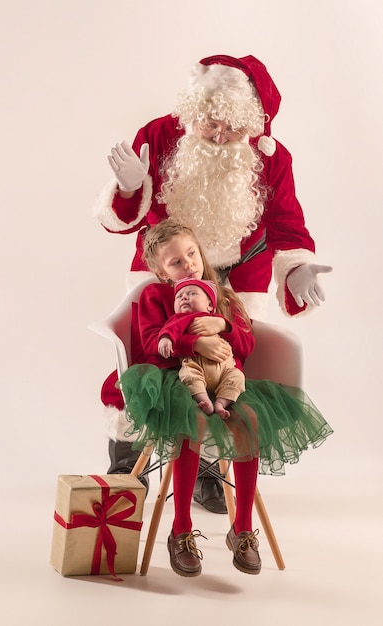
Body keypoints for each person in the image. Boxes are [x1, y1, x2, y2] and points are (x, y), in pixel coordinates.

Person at [93, 54, 333, 512]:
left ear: (251, 124)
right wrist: (127, 190)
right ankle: (127, 464)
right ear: (192, 112)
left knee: (225, 367)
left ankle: (208, 470)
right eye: (209, 124)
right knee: (143, 363)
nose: (220, 135)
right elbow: (122, 222)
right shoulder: (159, 136)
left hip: (240, 279)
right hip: (164, 274)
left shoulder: (273, 158)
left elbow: (286, 222)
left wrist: (296, 266)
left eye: (232, 128)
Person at [116, 219, 333, 577]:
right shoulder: (155, 296)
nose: (189, 265)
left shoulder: (224, 295)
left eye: (191, 254)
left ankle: (242, 528)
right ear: (159, 271)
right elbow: (153, 345)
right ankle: (181, 529)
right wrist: (194, 342)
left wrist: (224, 326)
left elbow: (247, 345)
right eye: (176, 262)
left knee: (248, 420)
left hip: (226, 381)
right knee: (194, 420)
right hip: (176, 380)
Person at [158, 277, 245, 419]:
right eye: (179, 296)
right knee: (188, 375)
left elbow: (241, 341)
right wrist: (165, 339)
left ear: (210, 305)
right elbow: (170, 329)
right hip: (196, 364)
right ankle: (204, 399)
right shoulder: (179, 319)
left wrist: (224, 324)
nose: (184, 297)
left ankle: (221, 402)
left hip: (225, 369)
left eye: (192, 293)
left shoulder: (217, 319)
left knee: (237, 377)